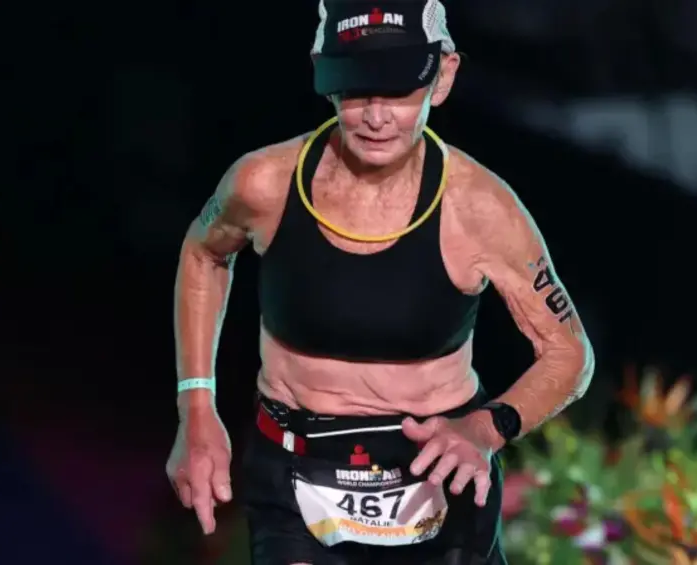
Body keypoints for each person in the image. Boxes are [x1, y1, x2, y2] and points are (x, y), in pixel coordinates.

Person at [166, 0, 595, 563]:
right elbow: (204, 254)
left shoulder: (480, 208)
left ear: (442, 78)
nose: (374, 116)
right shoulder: (262, 184)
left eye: (396, 91)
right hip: (295, 476)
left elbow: (569, 355)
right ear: (323, 75)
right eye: (356, 88)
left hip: (436, 478)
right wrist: (196, 408)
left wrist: (487, 430)